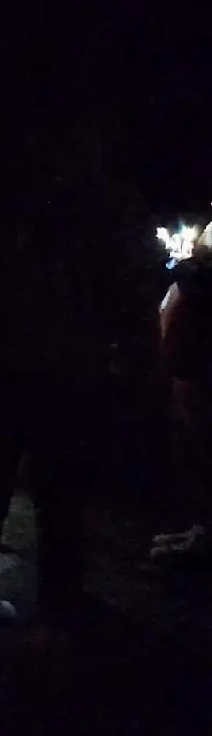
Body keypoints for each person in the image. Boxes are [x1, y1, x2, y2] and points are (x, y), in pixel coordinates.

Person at [0, 136, 127, 627]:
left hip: (7, 365)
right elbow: (115, 292)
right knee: (59, 487)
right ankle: (58, 598)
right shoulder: (83, 215)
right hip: (61, 368)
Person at [150, 223, 212, 564]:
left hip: (200, 362)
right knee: (190, 446)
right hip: (186, 361)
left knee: (202, 446)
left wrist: (188, 267)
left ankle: (204, 535)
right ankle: (199, 527)